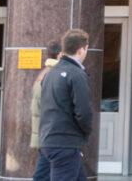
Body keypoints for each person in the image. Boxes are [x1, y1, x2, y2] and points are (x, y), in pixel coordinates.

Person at [38, 29, 91, 181]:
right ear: (81, 50)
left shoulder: (50, 73)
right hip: (65, 144)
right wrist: (85, 134)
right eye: (86, 49)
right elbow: (84, 112)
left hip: (49, 141)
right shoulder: (76, 74)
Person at [31, 40, 62, 181]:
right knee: (42, 175)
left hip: (45, 133)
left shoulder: (45, 73)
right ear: (60, 55)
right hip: (50, 135)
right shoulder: (54, 75)